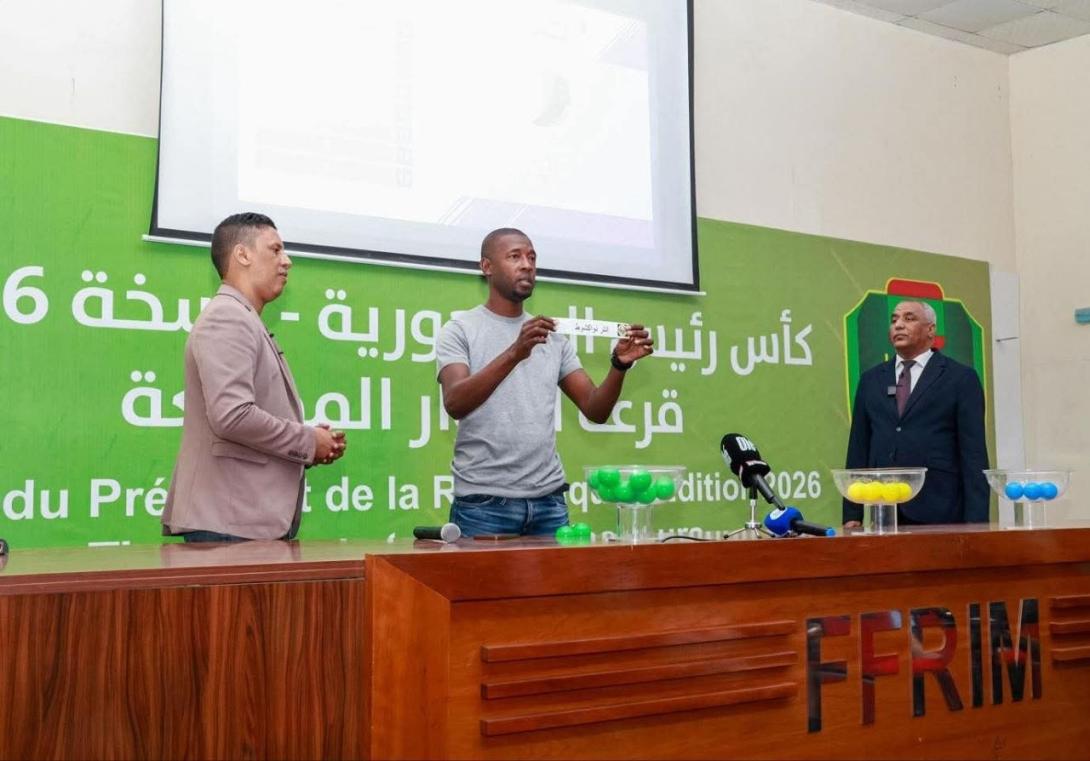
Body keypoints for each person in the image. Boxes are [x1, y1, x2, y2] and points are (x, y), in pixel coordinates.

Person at [436, 228, 653, 537]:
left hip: (550, 503)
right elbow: (455, 402)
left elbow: (595, 409)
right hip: (483, 505)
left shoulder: (551, 335)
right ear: (486, 266)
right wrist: (515, 353)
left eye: (532, 257)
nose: (527, 265)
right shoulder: (460, 329)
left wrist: (619, 365)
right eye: (514, 257)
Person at [162, 212, 346, 542]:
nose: (287, 261)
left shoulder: (243, 318)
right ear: (242, 255)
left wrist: (314, 442)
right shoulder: (227, 317)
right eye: (275, 250)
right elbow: (232, 416)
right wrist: (307, 441)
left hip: (239, 523)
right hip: (229, 526)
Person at [843, 300, 989, 527]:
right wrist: (852, 513)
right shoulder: (871, 380)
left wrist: (977, 522)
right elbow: (858, 447)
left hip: (941, 510)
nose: (898, 325)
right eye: (894, 320)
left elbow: (974, 454)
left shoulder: (960, 378)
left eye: (909, 319)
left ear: (931, 329)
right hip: (884, 508)